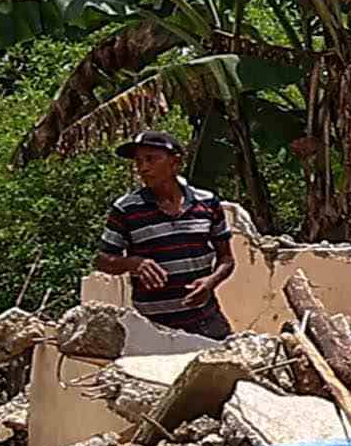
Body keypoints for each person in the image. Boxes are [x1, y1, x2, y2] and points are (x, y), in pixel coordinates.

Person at [99, 123, 248, 334]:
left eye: (151, 159)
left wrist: (210, 282)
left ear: (175, 163)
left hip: (205, 321)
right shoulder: (126, 209)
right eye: (139, 161)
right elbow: (103, 260)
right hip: (150, 328)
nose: (143, 168)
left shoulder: (207, 203)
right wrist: (133, 263)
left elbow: (226, 259)